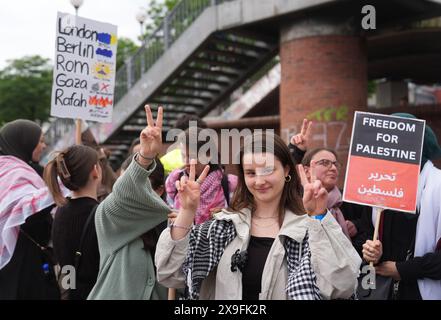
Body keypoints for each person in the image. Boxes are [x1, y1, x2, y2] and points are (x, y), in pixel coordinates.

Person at [155, 131, 361, 300]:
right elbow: (170, 273)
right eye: (251, 173)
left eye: (268, 170)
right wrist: (187, 211)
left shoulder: (310, 227)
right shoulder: (222, 227)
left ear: (286, 169)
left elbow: (342, 285)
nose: (260, 181)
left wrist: (318, 216)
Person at [88, 105, 172, 300]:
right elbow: (123, 193)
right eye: (124, 181)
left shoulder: (171, 222)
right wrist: (144, 158)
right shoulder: (108, 215)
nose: (130, 191)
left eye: (141, 184)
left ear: (160, 190)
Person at [361, 113, 441, 300]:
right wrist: (372, 251)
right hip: (383, 291)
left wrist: (402, 270)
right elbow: (364, 231)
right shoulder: (376, 186)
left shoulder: (437, 186)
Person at [0, 119, 64, 299]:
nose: (44, 146)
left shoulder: (12, 169)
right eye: (40, 140)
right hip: (23, 263)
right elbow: (29, 212)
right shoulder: (17, 173)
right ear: (25, 141)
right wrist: (64, 187)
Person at [44, 145, 102, 300]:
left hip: (72, 293)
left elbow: (65, 265)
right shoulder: (101, 214)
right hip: (97, 293)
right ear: (95, 171)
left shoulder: (60, 212)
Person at [165, 127, 237, 225]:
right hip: (181, 238)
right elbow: (168, 211)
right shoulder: (174, 180)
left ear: (209, 155)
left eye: (192, 156)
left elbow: (242, 216)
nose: (186, 162)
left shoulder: (229, 184)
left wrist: (227, 213)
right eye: (183, 156)